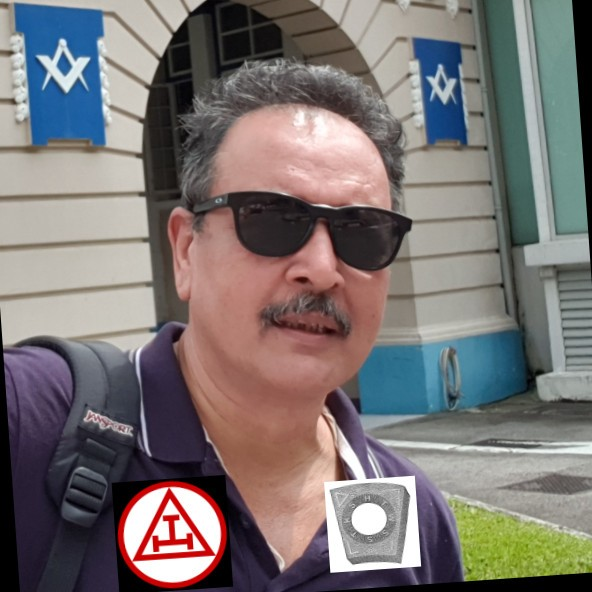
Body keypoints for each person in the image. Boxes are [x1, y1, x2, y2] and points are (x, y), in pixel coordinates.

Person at [5, 58, 464, 590]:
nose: (321, 269)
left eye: (362, 231)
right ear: (186, 249)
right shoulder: (37, 422)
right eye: (271, 219)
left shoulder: (397, 504)